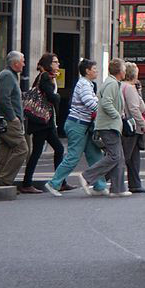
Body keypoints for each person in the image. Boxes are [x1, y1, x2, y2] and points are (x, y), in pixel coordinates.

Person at [45, 59, 108, 196]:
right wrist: (104, 110)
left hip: (83, 125)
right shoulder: (84, 84)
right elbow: (89, 102)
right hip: (78, 125)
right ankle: (53, 183)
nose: (96, 71)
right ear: (87, 71)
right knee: (73, 156)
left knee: (95, 155)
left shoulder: (88, 84)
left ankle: (100, 186)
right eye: (94, 69)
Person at [71, 58, 130, 198]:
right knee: (114, 156)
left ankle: (118, 189)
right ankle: (87, 176)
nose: (125, 71)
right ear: (120, 71)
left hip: (109, 125)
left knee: (119, 157)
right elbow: (105, 103)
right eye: (124, 69)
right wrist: (118, 115)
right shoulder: (112, 84)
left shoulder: (112, 82)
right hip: (108, 125)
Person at [22, 53, 67, 193]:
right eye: (55, 62)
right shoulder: (45, 77)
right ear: (48, 64)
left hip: (44, 122)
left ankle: (60, 181)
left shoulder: (48, 77)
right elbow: (51, 97)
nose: (58, 64)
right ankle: (27, 183)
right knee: (44, 151)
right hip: (42, 122)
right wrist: (58, 97)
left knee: (50, 150)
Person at [0, 52, 31, 189]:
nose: (24, 64)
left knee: (7, 152)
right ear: (15, 63)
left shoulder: (9, 75)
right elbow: (4, 99)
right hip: (8, 121)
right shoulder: (7, 76)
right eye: (23, 61)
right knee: (22, 149)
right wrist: (13, 117)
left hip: (5, 120)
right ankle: (4, 180)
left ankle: (1, 183)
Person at [121, 61, 145, 194]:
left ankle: (135, 184)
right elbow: (135, 108)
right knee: (124, 157)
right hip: (132, 127)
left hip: (131, 127)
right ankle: (97, 178)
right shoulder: (129, 88)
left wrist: (138, 90)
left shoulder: (128, 87)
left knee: (133, 157)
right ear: (134, 74)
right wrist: (144, 125)